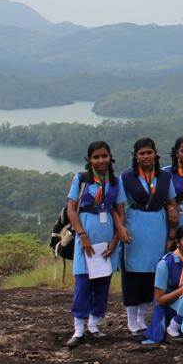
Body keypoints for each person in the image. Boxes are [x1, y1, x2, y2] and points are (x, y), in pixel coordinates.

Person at [64, 141, 126, 347]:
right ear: (89, 160)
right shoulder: (81, 180)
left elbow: (120, 211)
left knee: (102, 283)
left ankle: (94, 325)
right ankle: (78, 330)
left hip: (107, 239)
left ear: (110, 157)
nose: (101, 161)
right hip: (86, 238)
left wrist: (116, 239)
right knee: (83, 282)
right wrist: (82, 236)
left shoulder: (116, 182)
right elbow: (71, 209)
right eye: (96, 157)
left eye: (104, 156)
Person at [120, 138, 177, 339]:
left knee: (152, 272)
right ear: (136, 156)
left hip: (158, 225)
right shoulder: (127, 177)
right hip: (135, 224)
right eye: (141, 153)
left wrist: (172, 231)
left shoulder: (164, 177)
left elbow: (171, 201)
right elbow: (118, 203)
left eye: (149, 152)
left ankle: (142, 318)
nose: (146, 157)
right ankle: (130, 320)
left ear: (156, 154)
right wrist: (121, 228)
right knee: (133, 272)